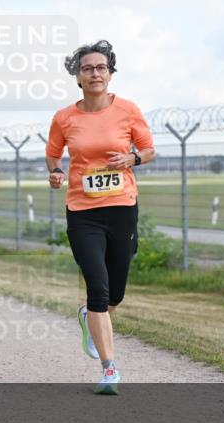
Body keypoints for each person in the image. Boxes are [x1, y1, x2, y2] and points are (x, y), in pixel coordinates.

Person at [45, 40, 155, 396]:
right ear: (77, 76)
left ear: (110, 73)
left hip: (122, 206)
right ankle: (109, 368)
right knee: (97, 285)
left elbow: (149, 150)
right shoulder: (65, 117)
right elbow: (53, 155)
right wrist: (57, 172)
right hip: (82, 211)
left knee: (115, 295)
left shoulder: (128, 110)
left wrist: (132, 160)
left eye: (101, 68)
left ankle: (88, 316)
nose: (95, 73)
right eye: (88, 68)